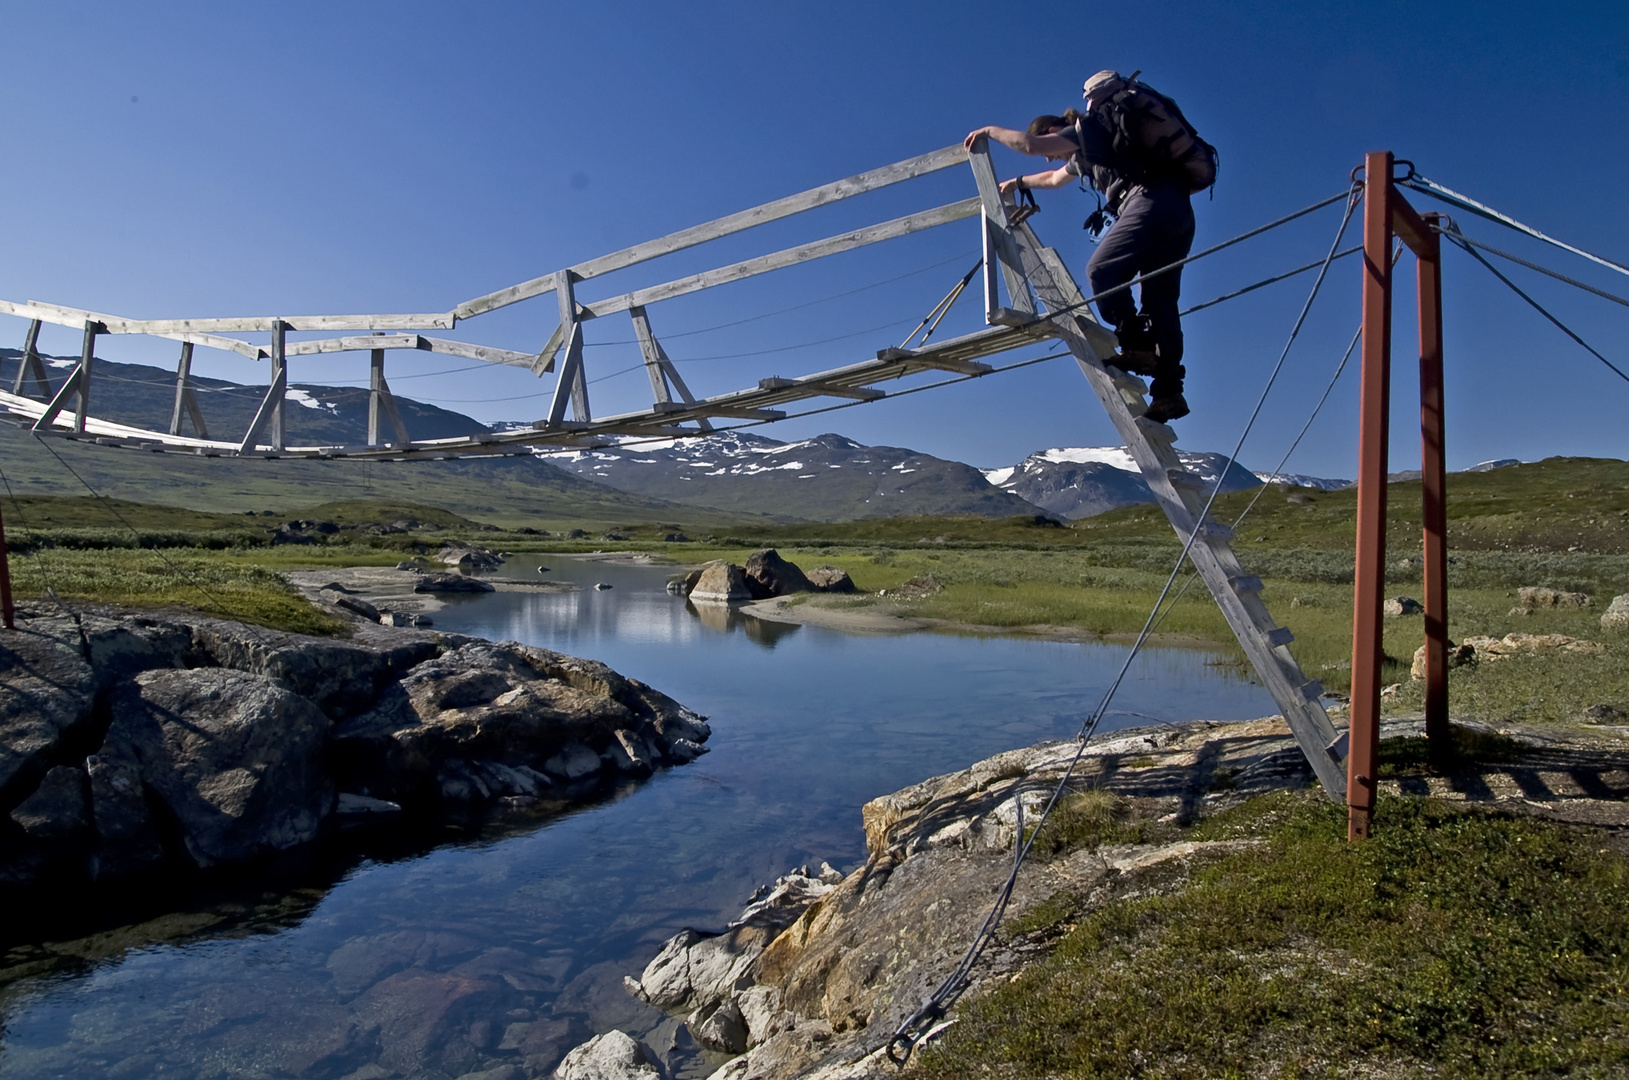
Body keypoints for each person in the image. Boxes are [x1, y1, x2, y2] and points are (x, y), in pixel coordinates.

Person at [964, 73, 1197, 423]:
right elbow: (1055, 179)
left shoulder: (1087, 129)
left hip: (1148, 202)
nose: (1047, 159)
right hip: (1178, 211)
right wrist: (1018, 183)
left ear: (1054, 129)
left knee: (1101, 271)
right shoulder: (1093, 148)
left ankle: (1136, 345)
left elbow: (1031, 146)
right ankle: (1168, 393)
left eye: (1050, 147)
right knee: (1160, 301)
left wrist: (988, 132)